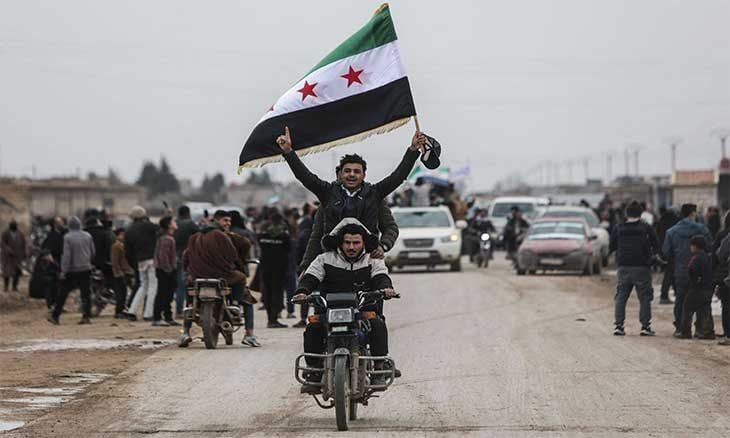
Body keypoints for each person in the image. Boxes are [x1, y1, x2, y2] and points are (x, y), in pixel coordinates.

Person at [292, 218, 399, 392]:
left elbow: (381, 276)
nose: (351, 247)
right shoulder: (324, 259)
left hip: (362, 308)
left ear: (364, 243)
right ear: (340, 243)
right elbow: (311, 277)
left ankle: (379, 368)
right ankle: (314, 371)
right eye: (347, 242)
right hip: (328, 309)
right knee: (313, 327)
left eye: (356, 243)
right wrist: (302, 291)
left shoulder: (372, 260)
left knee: (377, 324)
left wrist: (386, 289)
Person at [277, 126, 425, 238]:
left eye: (356, 171)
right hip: (333, 259)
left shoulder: (374, 193)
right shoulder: (328, 192)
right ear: (340, 174)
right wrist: (289, 152)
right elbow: (305, 177)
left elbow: (398, 177)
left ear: (364, 175)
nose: (352, 175)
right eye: (347, 171)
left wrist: (413, 149)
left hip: (367, 259)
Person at [180, 210, 250, 347]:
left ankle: (185, 332)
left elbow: (185, 257)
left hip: (197, 277)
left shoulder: (194, 237)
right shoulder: (221, 235)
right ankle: (235, 304)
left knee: (190, 300)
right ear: (216, 221)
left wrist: (188, 271)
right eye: (225, 220)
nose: (228, 223)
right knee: (241, 278)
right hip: (220, 275)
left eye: (229, 221)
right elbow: (232, 255)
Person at [610, 201, 660, 336]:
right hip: (642, 267)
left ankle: (619, 326)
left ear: (626, 213)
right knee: (644, 298)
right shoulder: (646, 227)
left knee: (621, 297)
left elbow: (612, 246)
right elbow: (656, 244)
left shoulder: (618, 228)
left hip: (623, 266)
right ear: (641, 213)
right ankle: (645, 326)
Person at [663, 204, 714, 337]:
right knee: (701, 301)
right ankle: (701, 329)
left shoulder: (671, 231)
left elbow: (666, 252)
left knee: (681, 299)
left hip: (681, 271)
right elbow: (710, 248)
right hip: (701, 272)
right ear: (692, 213)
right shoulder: (703, 229)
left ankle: (681, 328)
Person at [47, 216, 95, 325]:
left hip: (72, 270)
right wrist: (88, 262)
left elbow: (66, 256)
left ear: (69, 226)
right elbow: (93, 252)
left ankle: (55, 316)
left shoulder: (67, 237)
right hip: (86, 269)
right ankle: (86, 317)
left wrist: (64, 271)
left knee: (63, 293)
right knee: (86, 294)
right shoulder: (88, 235)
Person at [124, 206, 159, 321]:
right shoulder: (148, 226)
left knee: (143, 286)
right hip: (151, 259)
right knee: (153, 286)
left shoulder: (129, 230)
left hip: (139, 261)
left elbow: (127, 251)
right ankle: (148, 313)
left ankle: (132, 311)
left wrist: (133, 264)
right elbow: (160, 228)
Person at [675, 236, 714, 339]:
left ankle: (685, 331)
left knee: (687, 307)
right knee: (705, 309)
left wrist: (693, 283)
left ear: (695, 246)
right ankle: (707, 331)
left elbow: (692, 270)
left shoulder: (696, 258)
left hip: (698, 288)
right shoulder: (708, 257)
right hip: (708, 287)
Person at [258, 210, 291, 328]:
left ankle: (270, 319)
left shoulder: (262, 236)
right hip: (279, 269)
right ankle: (274, 319)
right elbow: (289, 250)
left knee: (267, 293)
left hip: (265, 268)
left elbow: (260, 246)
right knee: (277, 293)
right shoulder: (284, 236)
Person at [152, 216, 180, 327]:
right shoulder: (167, 239)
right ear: (169, 225)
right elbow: (163, 256)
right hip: (165, 270)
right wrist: (168, 269)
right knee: (163, 294)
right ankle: (157, 317)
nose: (175, 223)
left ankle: (168, 317)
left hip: (165, 270)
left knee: (168, 295)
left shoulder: (166, 237)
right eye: (173, 222)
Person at [173, 206, 199, 318]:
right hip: (188, 257)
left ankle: (178, 310)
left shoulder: (174, 223)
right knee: (186, 285)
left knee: (179, 285)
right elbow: (199, 235)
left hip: (174, 256)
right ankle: (185, 309)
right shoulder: (191, 224)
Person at [712, 214, 730, 345]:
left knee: (727, 305)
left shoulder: (726, 236)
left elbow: (720, 254)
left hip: (726, 276)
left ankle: (728, 335)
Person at [656, 206, 679, 304]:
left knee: (670, 272)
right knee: (670, 273)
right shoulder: (674, 223)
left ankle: (675, 293)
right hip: (671, 250)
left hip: (663, 250)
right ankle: (664, 296)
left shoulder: (661, 221)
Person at [111, 228, 134, 319]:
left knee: (124, 293)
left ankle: (122, 309)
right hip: (120, 273)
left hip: (125, 272)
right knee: (120, 293)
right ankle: (119, 311)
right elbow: (115, 261)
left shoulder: (123, 245)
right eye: (122, 234)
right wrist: (118, 273)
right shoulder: (116, 246)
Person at [84, 216, 115, 286]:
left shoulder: (83, 234)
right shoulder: (105, 232)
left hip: (87, 263)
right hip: (103, 263)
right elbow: (109, 247)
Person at [1, 220, 27, 292]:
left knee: (17, 273)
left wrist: (24, 254)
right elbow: (3, 243)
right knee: (7, 273)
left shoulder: (20, 234)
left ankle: (14, 287)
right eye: (12, 225)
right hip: (8, 257)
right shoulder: (5, 233)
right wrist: (8, 250)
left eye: (15, 225)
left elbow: (23, 244)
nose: (14, 226)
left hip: (17, 256)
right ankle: (6, 287)